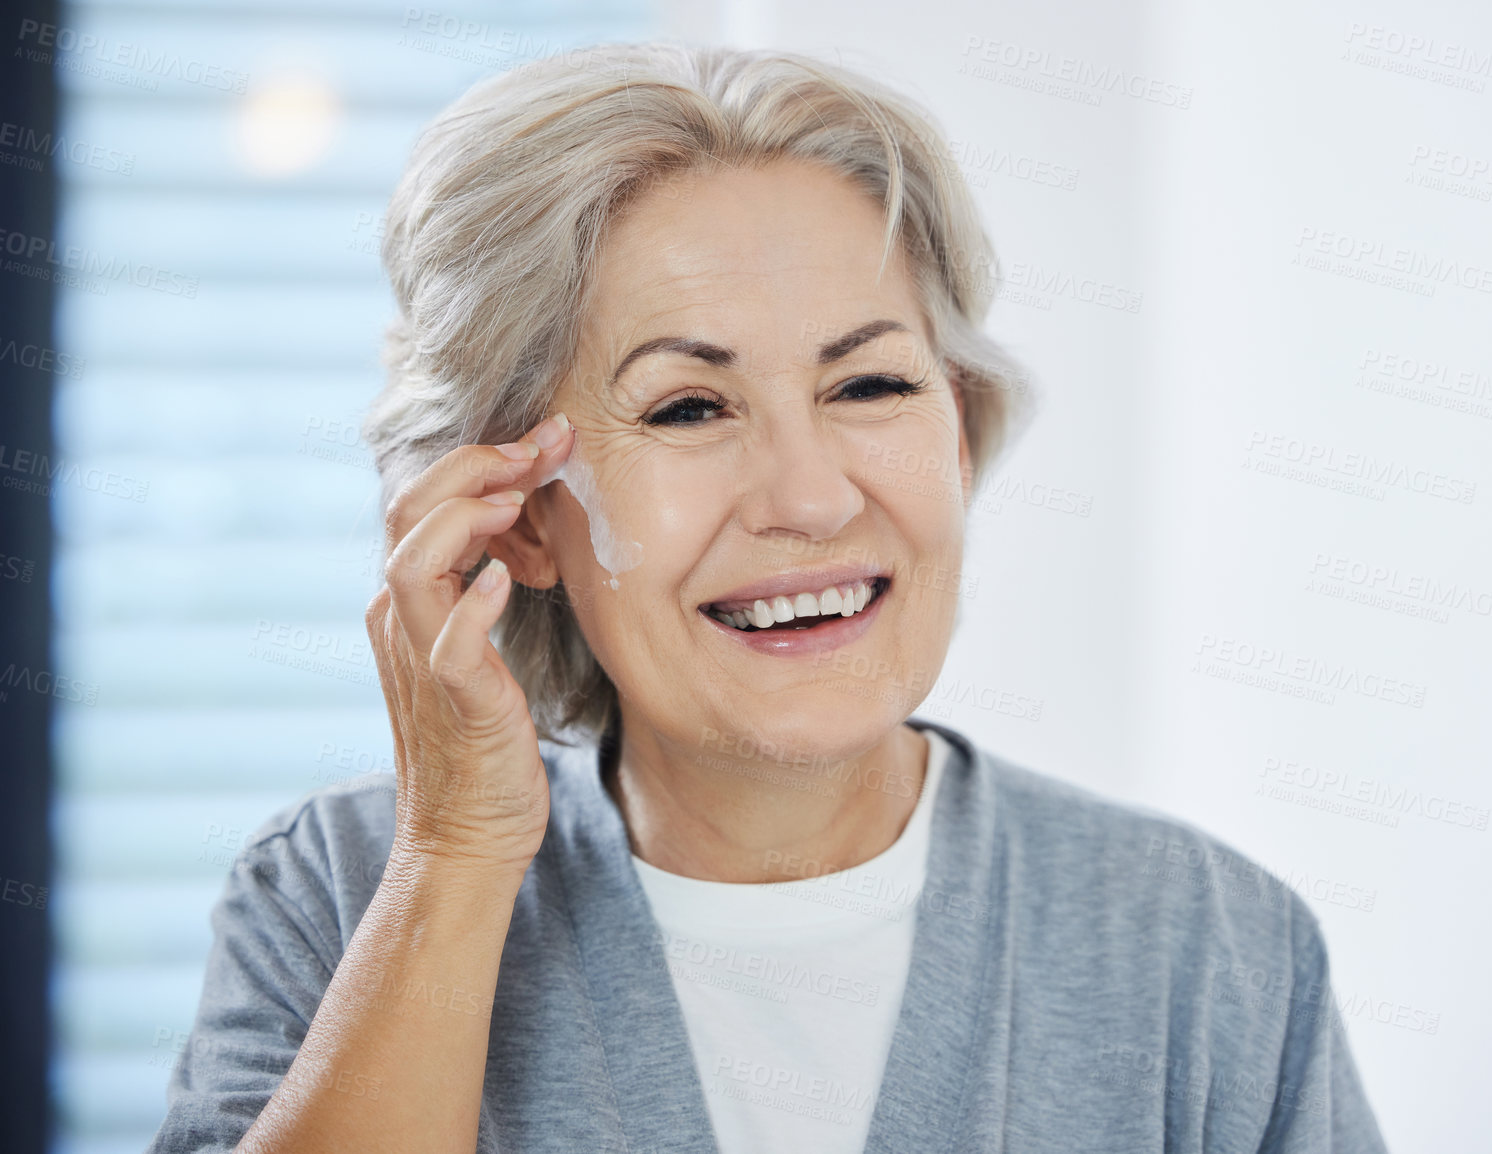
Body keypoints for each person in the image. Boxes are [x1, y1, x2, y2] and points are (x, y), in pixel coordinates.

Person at [147, 43, 1388, 1154]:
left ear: (960, 429)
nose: (809, 496)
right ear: (521, 514)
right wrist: (458, 855)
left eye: (869, 387)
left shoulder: (1210, 948)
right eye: (690, 407)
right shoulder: (334, 894)